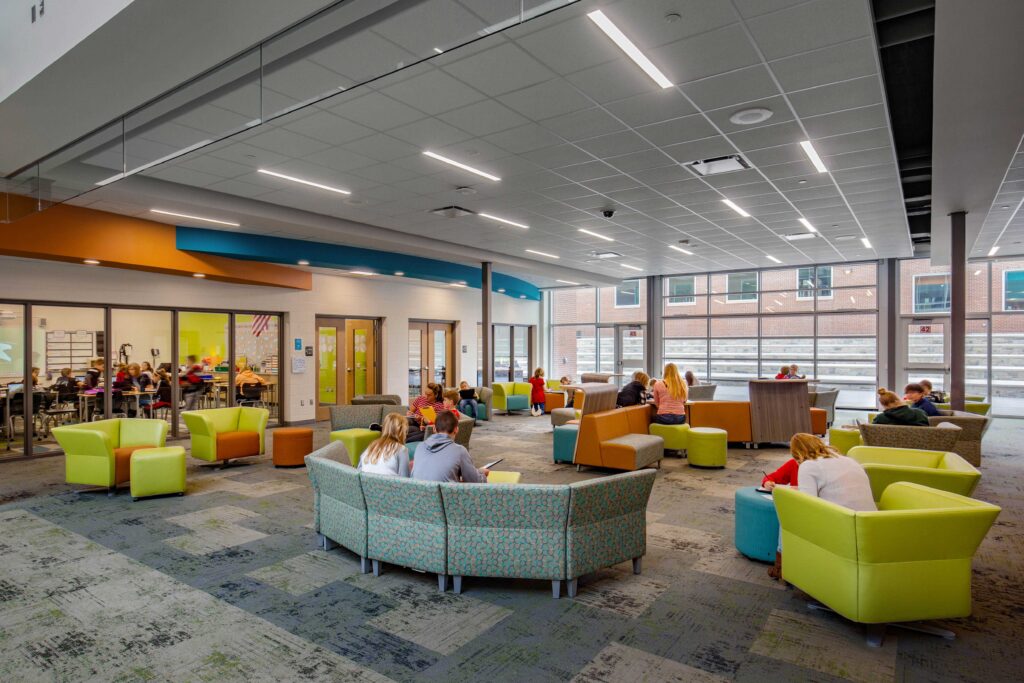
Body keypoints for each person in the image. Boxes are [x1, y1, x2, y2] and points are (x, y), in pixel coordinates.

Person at [767, 433, 876, 579]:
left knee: (787, 511)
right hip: (870, 525)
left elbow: (807, 505)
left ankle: (782, 567)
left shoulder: (808, 466)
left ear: (796, 453)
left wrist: (785, 495)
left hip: (842, 526)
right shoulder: (849, 461)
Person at [412, 411, 489, 483]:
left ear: (434, 429)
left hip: (418, 495)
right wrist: (482, 474)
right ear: (456, 430)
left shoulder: (420, 447)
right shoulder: (460, 451)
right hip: (446, 496)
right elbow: (474, 481)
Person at [358, 412, 410, 477]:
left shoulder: (372, 445)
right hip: (388, 486)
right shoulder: (402, 449)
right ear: (401, 431)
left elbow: (359, 470)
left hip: (366, 484)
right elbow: (405, 479)